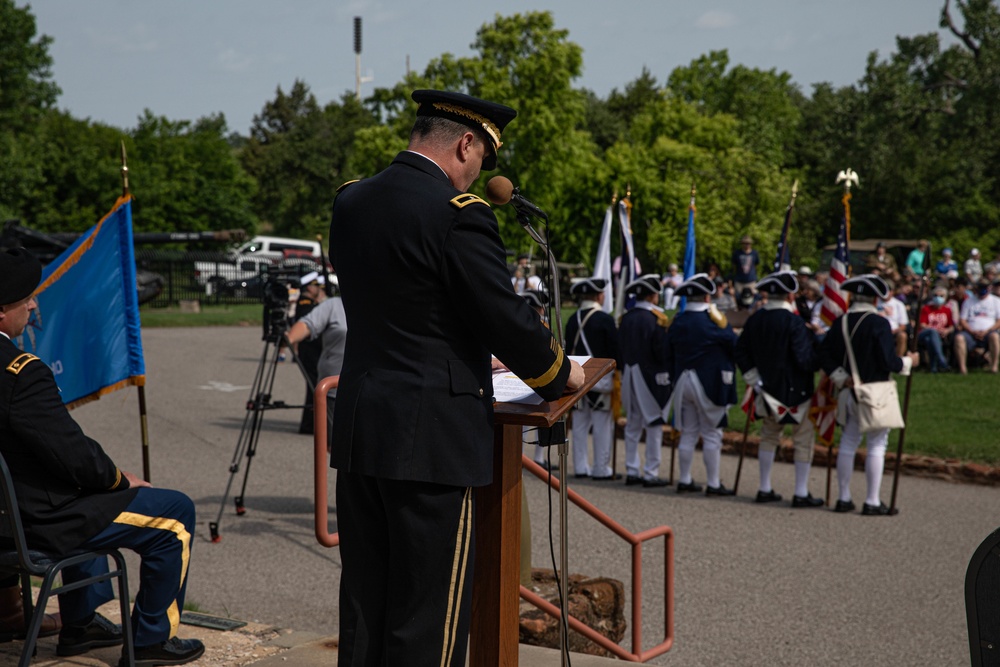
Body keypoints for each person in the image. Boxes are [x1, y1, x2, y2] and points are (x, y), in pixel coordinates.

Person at [327, 89, 584, 667]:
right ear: (465, 142)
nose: (477, 172)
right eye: (480, 158)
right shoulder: (458, 215)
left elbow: (403, 307)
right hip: (432, 439)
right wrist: (559, 373)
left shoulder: (352, 201)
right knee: (427, 621)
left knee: (366, 607)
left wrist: (460, 348)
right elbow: (502, 315)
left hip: (364, 425)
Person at [0, 248, 204, 665]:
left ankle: (82, 625)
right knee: (174, 514)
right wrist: (120, 479)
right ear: (3, 312)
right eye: (27, 300)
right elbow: (73, 455)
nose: (34, 305)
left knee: (88, 496)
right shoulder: (21, 372)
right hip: (35, 523)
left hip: (10, 513)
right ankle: (150, 641)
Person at [820, 274, 919, 516]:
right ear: (875, 298)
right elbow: (888, 361)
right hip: (876, 392)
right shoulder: (879, 324)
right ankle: (872, 501)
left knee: (849, 441)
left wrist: (842, 377)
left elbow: (824, 355)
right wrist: (908, 361)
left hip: (849, 391)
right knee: (877, 445)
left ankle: (844, 498)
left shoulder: (840, 322)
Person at [735, 271, 824, 507]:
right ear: (790, 294)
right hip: (797, 391)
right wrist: (819, 353)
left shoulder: (756, 319)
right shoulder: (794, 322)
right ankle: (801, 492)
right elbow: (805, 361)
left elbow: (741, 352)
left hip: (767, 389)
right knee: (803, 440)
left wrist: (754, 379)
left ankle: (765, 488)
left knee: (769, 436)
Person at [665, 273, 739, 496]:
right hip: (707, 382)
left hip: (682, 382)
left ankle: (685, 479)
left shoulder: (678, 321)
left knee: (688, 432)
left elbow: (667, 351)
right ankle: (714, 483)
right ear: (707, 297)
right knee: (711, 434)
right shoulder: (713, 322)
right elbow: (733, 345)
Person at [618, 274, 671, 488]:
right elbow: (661, 352)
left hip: (629, 375)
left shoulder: (626, 318)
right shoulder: (657, 319)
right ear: (652, 296)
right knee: (654, 423)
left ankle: (632, 470)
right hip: (650, 377)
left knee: (633, 424)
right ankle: (651, 472)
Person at [565, 278, 620, 480]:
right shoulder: (605, 320)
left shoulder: (572, 320)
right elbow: (615, 352)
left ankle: (580, 467)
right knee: (602, 425)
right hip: (600, 380)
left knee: (579, 424)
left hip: (577, 380)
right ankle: (600, 468)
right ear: (599, 296)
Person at [285, 275, 348, 439]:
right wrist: (289, 338)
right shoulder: (331, 305)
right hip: (332, 385)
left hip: (368, 389)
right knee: (333, 446)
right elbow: (307, 324)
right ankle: (308, 424)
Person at [290, 271, 326, 434]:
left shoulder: (310, 303)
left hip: (314, 351)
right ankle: (308, 425)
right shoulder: (305, 303)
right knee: (313, 387)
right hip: (310, 352)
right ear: (311, 288)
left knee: (314, 386)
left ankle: (312, 423)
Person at [954, 278, 1000, 374]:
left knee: (995, 336)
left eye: (984, 287)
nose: (982, 289)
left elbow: (999, 321)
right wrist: (971, 331)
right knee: (959, 338)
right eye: (980, 287)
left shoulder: (996, 301)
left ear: (989, 288)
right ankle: (963, 368)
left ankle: (994, 366)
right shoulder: (968, 301)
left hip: (988, 332)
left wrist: (987, 331)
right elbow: (962, 320)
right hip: (971, 332)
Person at [918, 286, 955, 373]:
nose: (938, 298)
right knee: (932, 332)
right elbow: (922, 324)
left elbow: (951, 326)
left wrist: (946, 331)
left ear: (945, 298)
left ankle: (933, 368)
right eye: (935, 295)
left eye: (941, 296)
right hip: (924, 333)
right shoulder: (926, 309)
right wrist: (935, 330)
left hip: (938, 336)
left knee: (929, 340)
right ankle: (942, 359)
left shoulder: (947, 310)